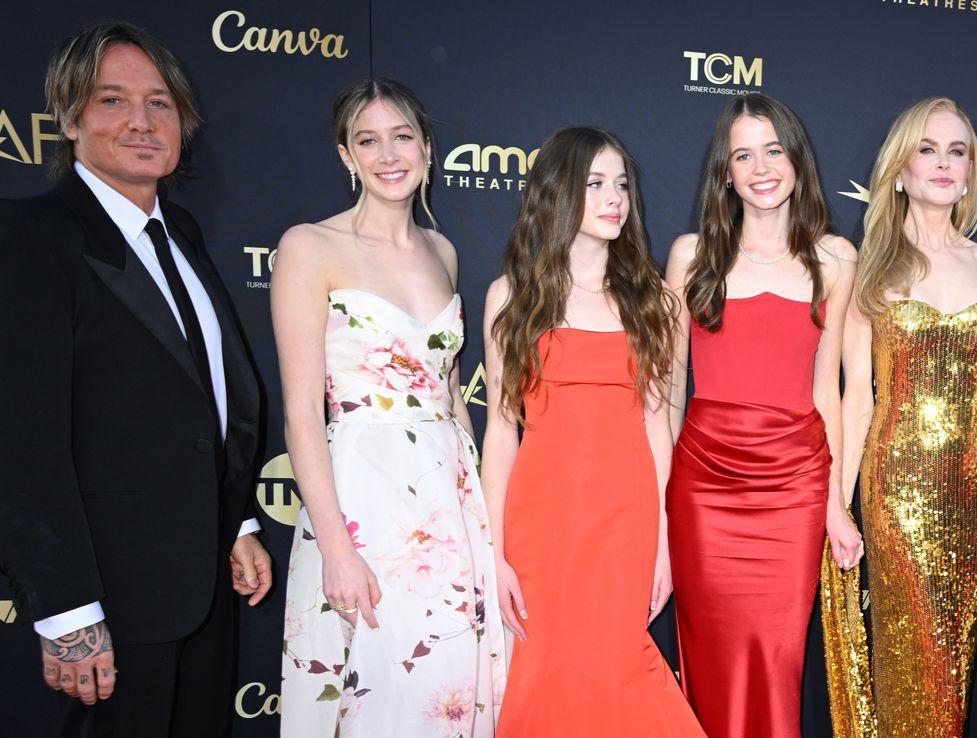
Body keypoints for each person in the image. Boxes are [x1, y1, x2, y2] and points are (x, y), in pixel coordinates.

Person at [0, 21, 270, 738]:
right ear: (70, 118)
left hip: (203, 584)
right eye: (113, 100)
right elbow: (23, 445)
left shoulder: (179, 231)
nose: (142, 122)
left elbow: (199, 397)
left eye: (160, 103)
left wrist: (236, 516)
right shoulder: (32, 238)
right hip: (111, 602)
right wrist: (67, 614)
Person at [273, 78, 505, 738]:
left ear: (427, 148)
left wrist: (485, 520)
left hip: (449, 494)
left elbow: (452, 392)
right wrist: (338, 549)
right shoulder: (309, 247)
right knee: (379, 694)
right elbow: (300, 413)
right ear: (346, 157)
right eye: (367, 141)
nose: (388, 154)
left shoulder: (444, 252)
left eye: (402, 136)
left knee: (449, 685)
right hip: (362, 499)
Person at [482, 126, 706, 737]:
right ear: (556, 193)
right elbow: (501, 435)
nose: (614, 198)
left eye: (622, 185)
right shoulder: (511, 299)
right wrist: (494, 551)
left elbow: (660, 427)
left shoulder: (656, 302)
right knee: (548, 670)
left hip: (624, 522)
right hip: (541, 524)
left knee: (615, 668)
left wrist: (663, 538)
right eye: (594, 183)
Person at [665, 93, 858, 738]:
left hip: (794, 484)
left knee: (779, 660)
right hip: (703, 486)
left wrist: (834, 501)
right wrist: (657, 497)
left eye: (774, 149)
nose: (761, 166)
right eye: (743, 154)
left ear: (797, 160)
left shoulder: (834, 258)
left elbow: (825, 389)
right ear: (725, 172)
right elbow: (666, 391)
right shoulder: (691, 256)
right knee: (712, 657)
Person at [840, 96, 977, 737]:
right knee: (912, 663)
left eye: (958, 151)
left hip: (972, 492)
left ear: (971, 171)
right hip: (896, 493)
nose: (944, 163)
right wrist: (837, 506)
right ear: (899, 169)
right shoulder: (867, 268)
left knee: (967, 668)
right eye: (928, 148)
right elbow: (857, 399)